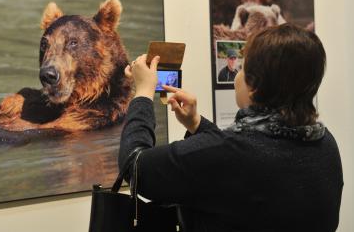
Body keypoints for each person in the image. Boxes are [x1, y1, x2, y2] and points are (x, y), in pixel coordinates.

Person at [119, 23, 343, 232]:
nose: (237, 75)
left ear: (254, 87)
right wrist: (197, 124)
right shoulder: (326, 145)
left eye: (243, 69)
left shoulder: (231, 153)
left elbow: (134, 167)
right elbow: (237, 170)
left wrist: (142, 95)